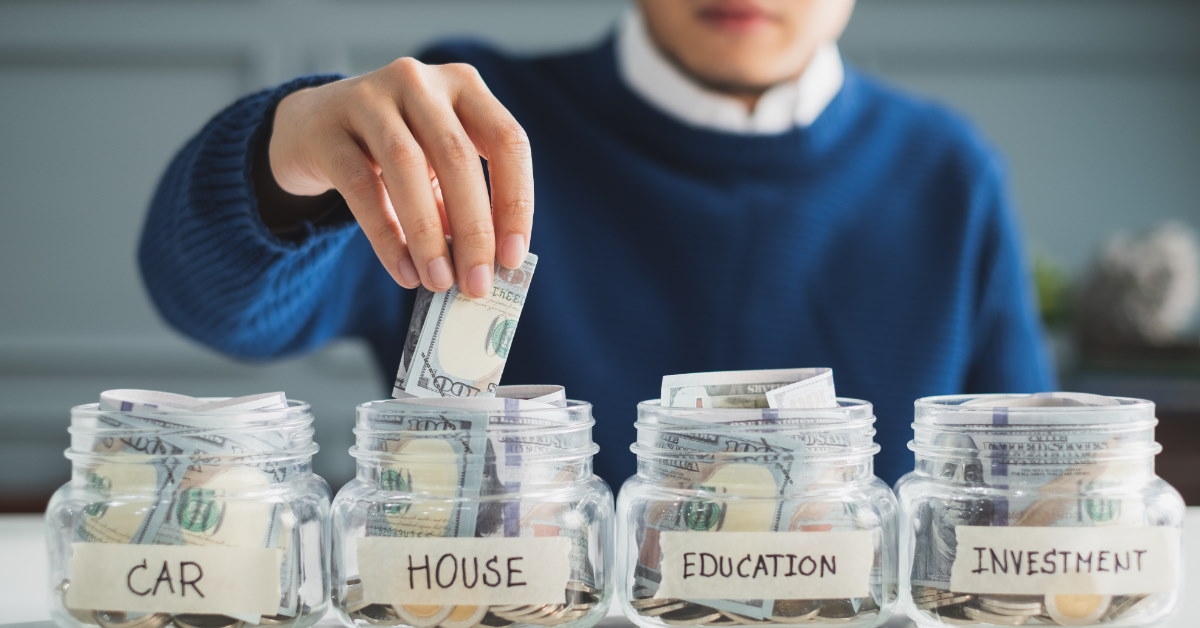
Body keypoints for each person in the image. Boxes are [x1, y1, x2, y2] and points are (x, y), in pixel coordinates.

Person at [139, 0, 1054, 488]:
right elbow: (216, 306)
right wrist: (281, 149)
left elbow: (1027, 482)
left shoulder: (948, 172)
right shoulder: (473, 123)